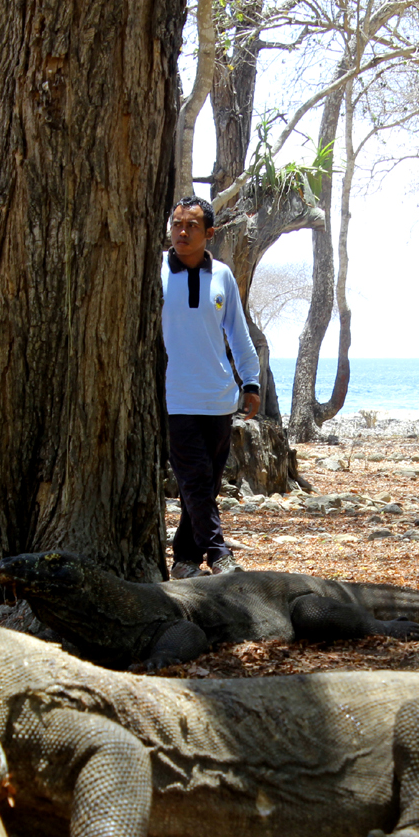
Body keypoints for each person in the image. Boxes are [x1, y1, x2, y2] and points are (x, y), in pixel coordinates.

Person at [161, 195, 261, 578]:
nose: (182, 232)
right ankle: (220, 556)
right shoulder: (157, 272)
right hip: (176, 398)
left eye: (191, 226)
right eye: (177, 224)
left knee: (203, 487)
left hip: (219, 398)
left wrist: (249, 381)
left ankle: (185, 558)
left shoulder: (221, 276)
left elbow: (238, 332)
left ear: (209, 233)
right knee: (196, 481)